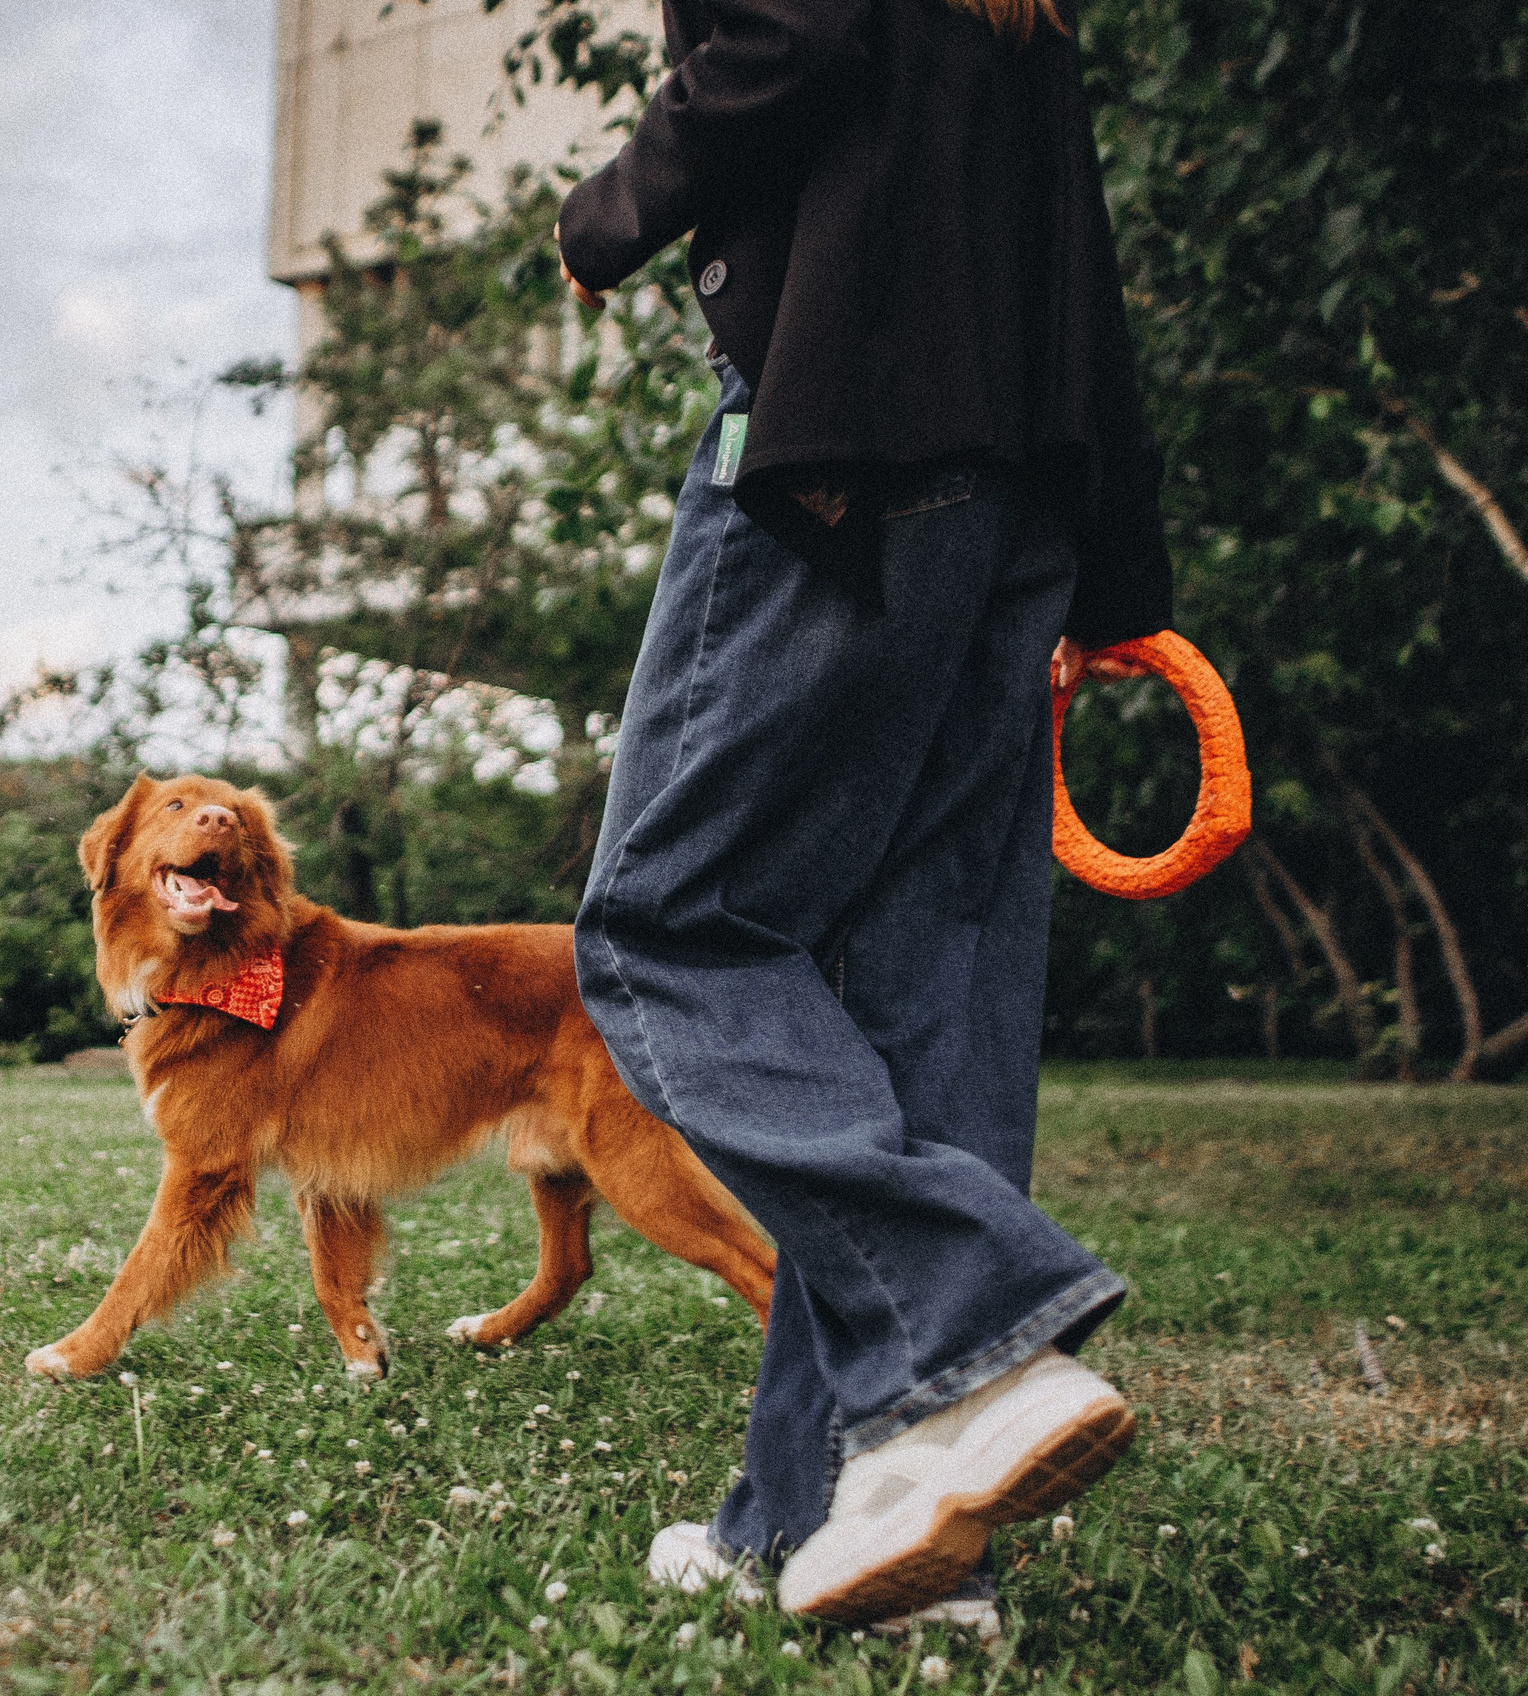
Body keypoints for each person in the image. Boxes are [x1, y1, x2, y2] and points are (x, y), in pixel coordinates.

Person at [554, 0, 1168, 1632]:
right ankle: (856, 1533)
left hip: (852, 453)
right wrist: (1109, 566)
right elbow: (1071, 223)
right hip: (1015, 491)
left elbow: (790, 39)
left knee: (670, 925)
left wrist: (608, 212)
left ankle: (980, 1332)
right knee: (924, 998)